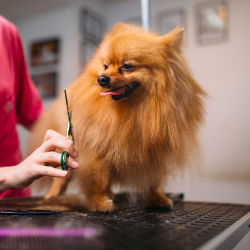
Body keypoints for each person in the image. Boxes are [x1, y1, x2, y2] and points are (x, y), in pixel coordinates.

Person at [0, 16, 77, 197]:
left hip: (14, 203)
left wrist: (80, 132)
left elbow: (36, 117)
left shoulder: (5, 31)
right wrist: (11, 175)